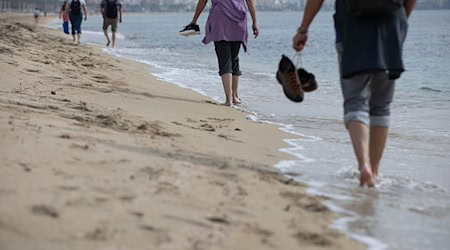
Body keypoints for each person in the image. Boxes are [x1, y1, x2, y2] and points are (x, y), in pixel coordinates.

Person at [292, 0, 416, 187]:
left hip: (350, 27)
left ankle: (363, 165)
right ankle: (374, 171)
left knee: (355, 100)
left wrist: (303, 29)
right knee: (381, 106)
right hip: (391, 26)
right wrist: (402, 19)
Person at [188, 0, 259, 106]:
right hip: (238, 20)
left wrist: (194, 20)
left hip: (220, 20)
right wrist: (254, 22)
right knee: (234, 58)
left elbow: (202, 1)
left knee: (225, 59)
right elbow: (250, 2)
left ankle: (228, 100)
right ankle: (235, 96)